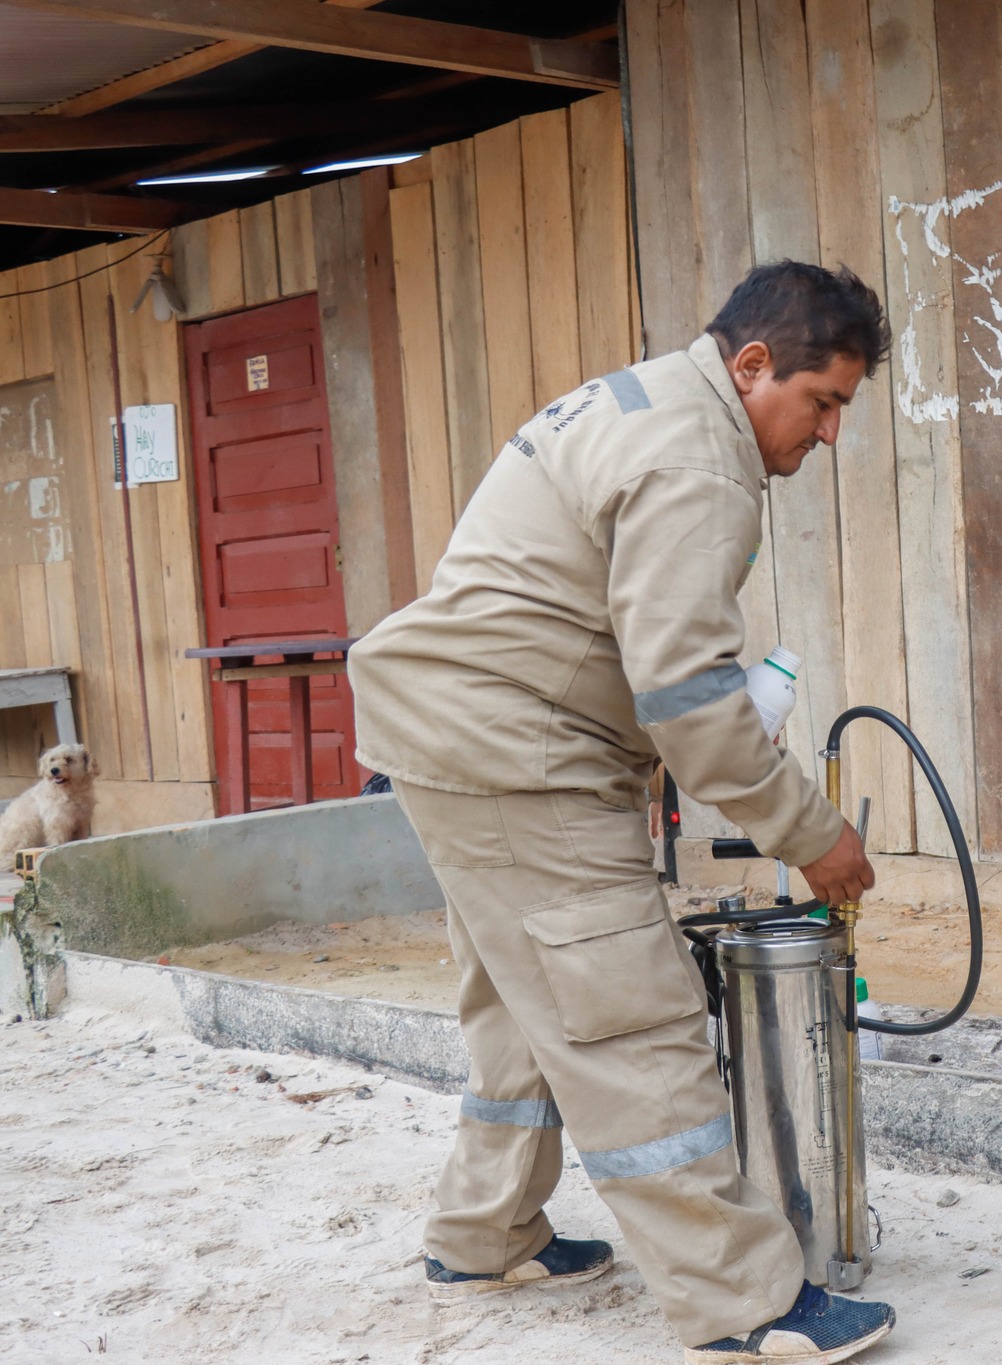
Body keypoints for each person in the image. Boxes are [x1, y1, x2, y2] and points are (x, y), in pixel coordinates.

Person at [348, 262, 894, 1364]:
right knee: (628, 1015)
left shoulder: (642, 401)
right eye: (821, 400)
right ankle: (744, 1303)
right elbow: (685, 691)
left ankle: (482, 1231)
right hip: (518, 756)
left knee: (521, 993)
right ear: (752, 366)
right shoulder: (700, 460)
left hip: (456, 733)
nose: (829, 434)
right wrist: (811, 833)